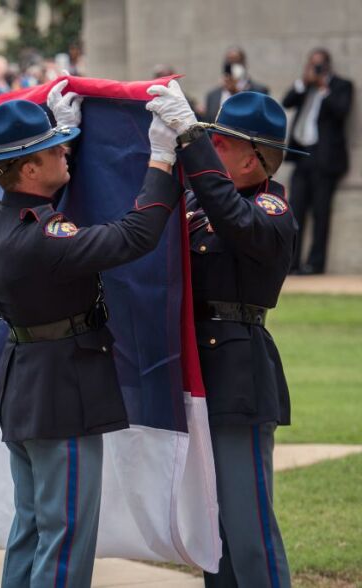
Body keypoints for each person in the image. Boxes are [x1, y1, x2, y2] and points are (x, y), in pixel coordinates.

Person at [0, 81, 182, 587]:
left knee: (32, 527)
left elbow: (46, 200)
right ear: (29, 168)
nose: (63, 150)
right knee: (67, 535)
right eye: (50, 149)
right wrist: (162, 160)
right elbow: (136, 235)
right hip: (62, 394)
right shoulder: (42, 238)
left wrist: (65, 132)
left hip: (26, 389)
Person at [147, 81, 300, 587]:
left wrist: (190, 138)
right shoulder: (199, 202)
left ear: (254, 160)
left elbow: (234, 221)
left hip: (238, 378)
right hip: (195, 379)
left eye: (221, 143)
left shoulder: (271, 211)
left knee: (249, 532)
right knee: (213, 538)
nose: (209, 149)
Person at [282, 48, 354, 274]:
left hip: (325, 161)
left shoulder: (342, 86)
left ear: (328, 66)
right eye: (312, 64)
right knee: (295, 212)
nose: (315, 69)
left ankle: (315, 264)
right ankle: (291, 264)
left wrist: (324, 88)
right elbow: (287, 102)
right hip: (301, 156)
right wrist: (304, 82)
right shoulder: (305, 87)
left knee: (321, 214)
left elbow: (342, 111)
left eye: (319, 65)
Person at [201, 46, 268, 123]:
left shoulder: (259, 91)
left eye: (236, 61)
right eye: (229, 62)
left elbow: (258, 120)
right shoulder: (212, 95)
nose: (232, 66)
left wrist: (235, 93)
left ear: (244, 64)